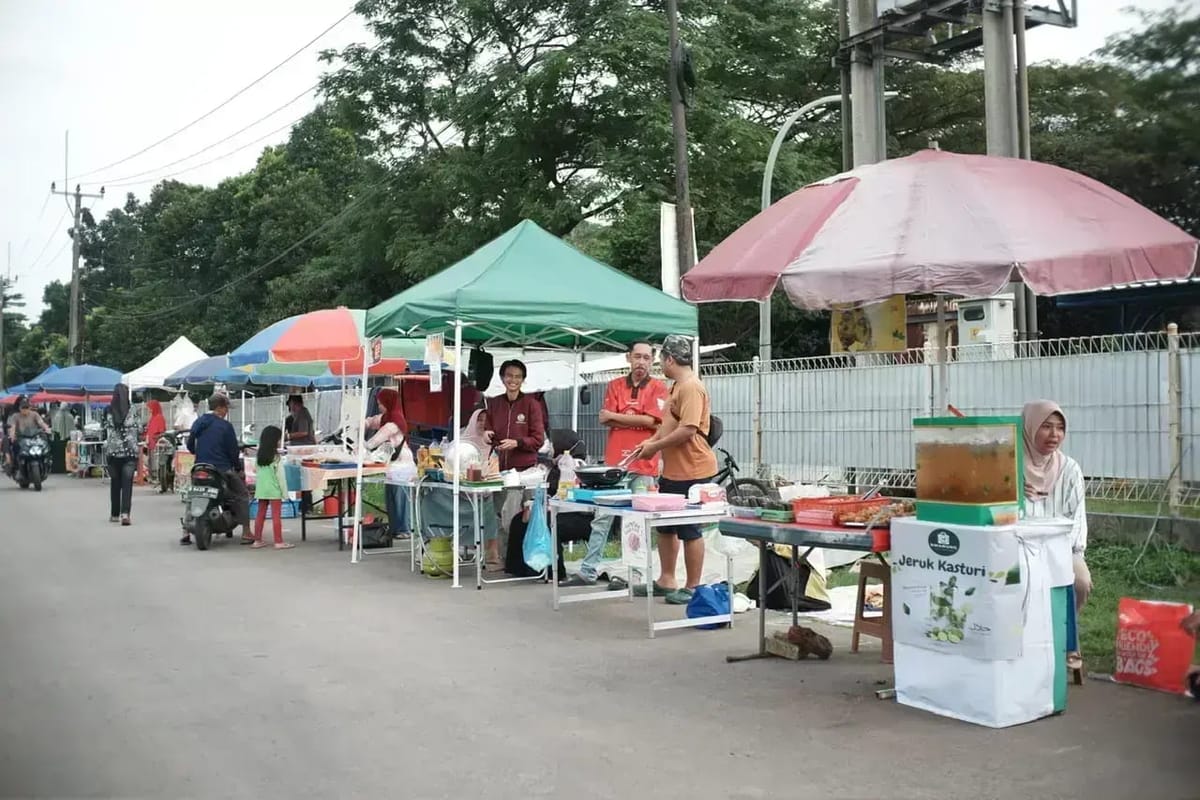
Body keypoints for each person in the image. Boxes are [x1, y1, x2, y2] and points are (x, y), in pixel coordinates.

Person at [563, 341, 668, 587]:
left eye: (646, 357)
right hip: (615, 466)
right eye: (637, 357)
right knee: (602, 518)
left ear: (652, 360)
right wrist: (639, 418)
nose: (641, 362)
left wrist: (618, 417)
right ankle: (588, 570)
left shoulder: (659, 387)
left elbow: (654, 422)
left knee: (638, 522)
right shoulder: (615, 385)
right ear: (628, 358)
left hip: (644, 464)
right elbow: (605, 419)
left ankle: (636, 575)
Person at [629, 335, 718, 606]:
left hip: (694, 469)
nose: (659, 365)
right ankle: (666, 579)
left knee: (689, 528)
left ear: (669, 359)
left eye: (660, 360)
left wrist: (655, 448)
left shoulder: (691, 387)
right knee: (666, 527)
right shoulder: (676, 386)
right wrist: (650, 443)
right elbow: (668, 425)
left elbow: (688, 429)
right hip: (672, 470)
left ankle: (693, 586)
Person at [1021, 399, 1090, 672]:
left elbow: (1077, 518)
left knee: (1080, 582)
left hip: (1062, 548)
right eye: (1046, 426)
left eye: (1060, 428)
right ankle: (1026, 642)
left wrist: (1066, 552)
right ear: (1029, 427)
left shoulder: (1069, 468)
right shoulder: (1009, 465)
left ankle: (1063, 637)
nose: (1054, 435)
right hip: (1020, 547)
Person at [485, 359, 547, 570]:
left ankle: (529, 560)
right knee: (500, 516)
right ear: (502, 378)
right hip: (499, 470)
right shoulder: (494, 403)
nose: (513, 380)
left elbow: (538, 440)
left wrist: (517, 443)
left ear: (523, 380)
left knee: (524, 516)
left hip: (525, 470)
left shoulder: (531, 404)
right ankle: (506, 560)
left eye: (518, 377)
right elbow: (489, 430)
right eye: (509, 376)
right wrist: (487, 434)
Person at [186, 394, 251, 546]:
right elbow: (233, 451)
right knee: (242, 494)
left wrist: (198, 453)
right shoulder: (225, 426)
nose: (227, 411)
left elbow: (190, 444)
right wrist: (238, 468)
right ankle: (246, 532)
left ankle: (185, 532)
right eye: (226, 408)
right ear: (220, 408)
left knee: (193, 494)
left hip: (200, 467)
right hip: (221, 468)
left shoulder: (199, 422)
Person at [251, 425, 294, 550]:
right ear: (274, 440)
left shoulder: (259, 457)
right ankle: (278, 542)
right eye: (279, 439)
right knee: (276, 516)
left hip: (261, 490)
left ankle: (257, 540)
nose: (280, 441)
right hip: (274, 490)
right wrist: (285, 493)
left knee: (260, 515)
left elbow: (255, 470)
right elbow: (281, 478)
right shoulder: (276, 458)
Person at [103, 384, 138, 526]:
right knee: (127, 484)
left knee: (115, 483)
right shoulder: (133, 410)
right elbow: (139, 427)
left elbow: (105, 427)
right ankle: (125, 514)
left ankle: (114, 514)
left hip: (113, 452)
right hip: (129, 452)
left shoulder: (108, 411)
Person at [7, 396, 51, 473]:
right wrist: (12, 435)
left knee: (45, 443)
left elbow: (41, 423)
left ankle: (47, 461)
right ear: (19, 408)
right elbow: (13, 427)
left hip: (34, 437)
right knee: (15, 447)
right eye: (23, 408)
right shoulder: (15, 416)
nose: (25, 410)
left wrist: (47, 429)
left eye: (26, 407)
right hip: (21, 438)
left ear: (29, 407)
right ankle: (15, 465)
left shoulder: (34, 414)